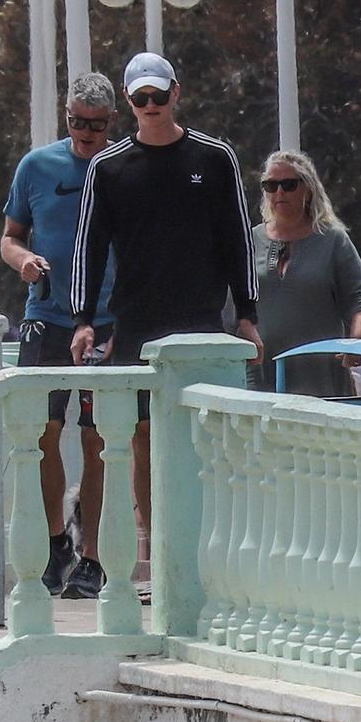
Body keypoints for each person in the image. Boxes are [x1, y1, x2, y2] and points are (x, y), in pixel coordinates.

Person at [70, 51, 263, 538]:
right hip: (137, 320)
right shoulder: (108, 167)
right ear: (130, 103)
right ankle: (161, 553)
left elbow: (237, 239)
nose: (151, 105)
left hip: (200, 318)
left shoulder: (215, 158)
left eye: (159, 95)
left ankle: (212, 544)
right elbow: (89, 248)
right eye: (141, 98)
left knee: (209, 436)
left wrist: (247, 313)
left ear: (176, 93)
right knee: (142, 435)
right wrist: (83, 318)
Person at [1, 71, 118, 599]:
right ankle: (54, 543)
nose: (86, 133)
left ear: (110, 123)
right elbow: (9, 237)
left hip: (109, 318)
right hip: (47, 317)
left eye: (95, 125)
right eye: (77, 122)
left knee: (99, 439)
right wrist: (24, 260)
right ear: (65, 115)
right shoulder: (37, 166)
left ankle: (92, 555)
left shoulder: (121, 166)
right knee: (42, 433)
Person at [249, 149, 361, 397]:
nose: (279, 192)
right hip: (262, 372)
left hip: (321, 372)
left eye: (289, 184)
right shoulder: (250, 240)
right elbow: (235, 307)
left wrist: (356, 341)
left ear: (307, 189)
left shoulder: (332, 240)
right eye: (271, 186)